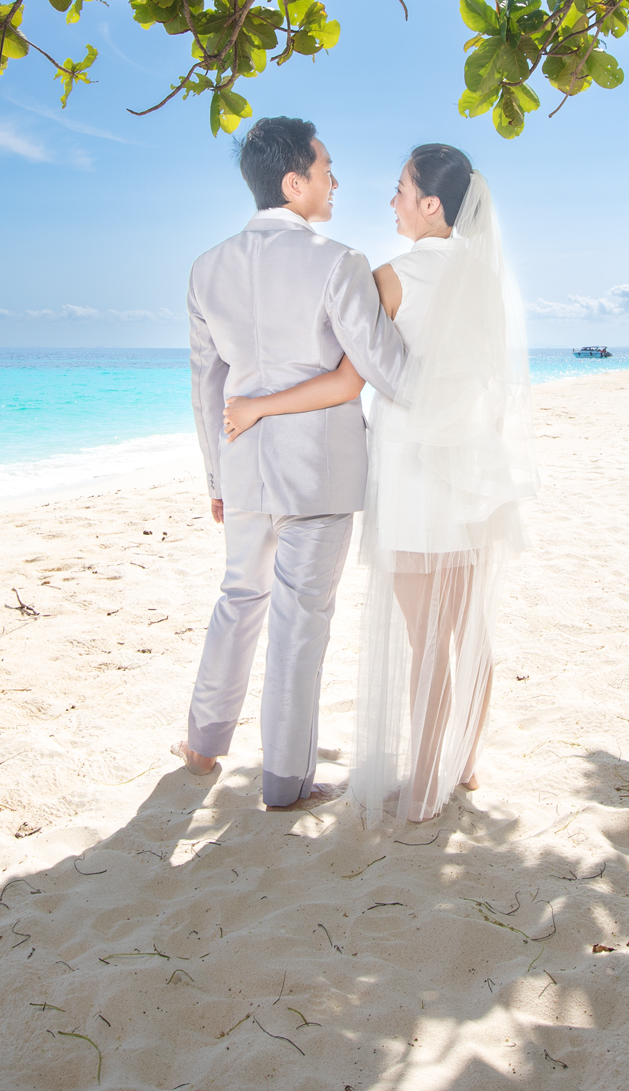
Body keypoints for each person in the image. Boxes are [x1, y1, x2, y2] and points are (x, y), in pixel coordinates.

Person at [224, 144, 534, 825]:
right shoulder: (486, 278)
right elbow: (491, 383)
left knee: (426, 639)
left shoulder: (392, 276)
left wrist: (256, 405)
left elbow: (343, 379)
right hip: (477, 472)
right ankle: (465, 760)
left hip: (419, 474)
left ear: (430, 204)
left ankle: (425, 787)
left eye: (400, 190)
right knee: (466, 632)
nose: (389, 202)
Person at [178, 116, 410, 811]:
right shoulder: (337, 262)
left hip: (243, 462)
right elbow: (385, 368)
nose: (335, 181)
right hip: (320, 468)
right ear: (294, 181)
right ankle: (284, 781)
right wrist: (405, 312)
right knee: (300, 621)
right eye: (327, 168)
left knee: (238, 601)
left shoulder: (205, 267)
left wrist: (216, 478)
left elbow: (205, 387)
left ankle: (203, 743)